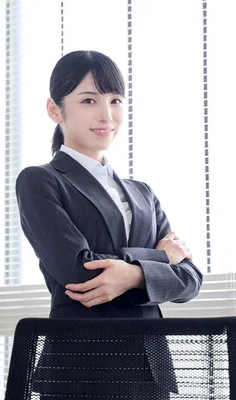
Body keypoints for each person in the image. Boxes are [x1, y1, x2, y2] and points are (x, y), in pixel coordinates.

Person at [15, 50, 203, 398]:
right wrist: (160, 260)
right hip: (82, 367)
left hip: (150, 368)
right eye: (89, 100)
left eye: (115, 100)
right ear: (55, 110)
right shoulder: (40, 180)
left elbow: (190, 280)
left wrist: (130, 273)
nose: (106, 114)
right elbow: (80, 270)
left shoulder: (142, 193)